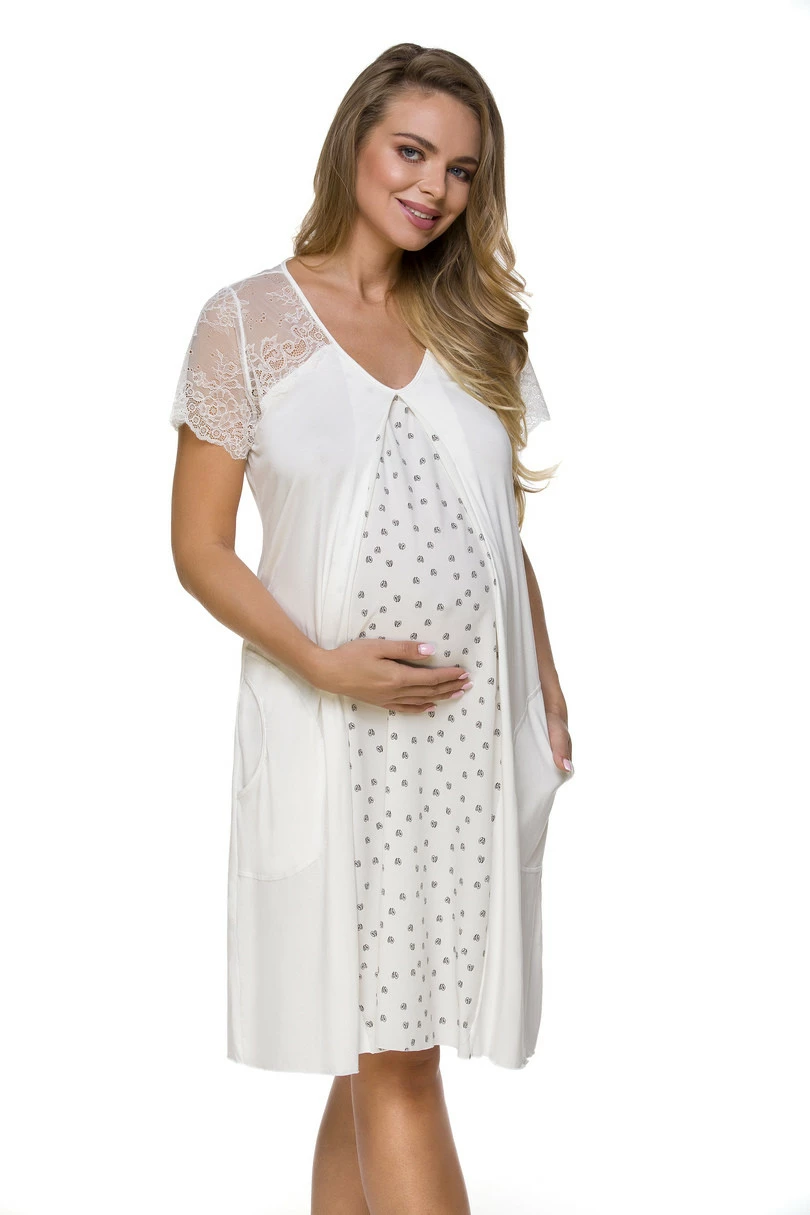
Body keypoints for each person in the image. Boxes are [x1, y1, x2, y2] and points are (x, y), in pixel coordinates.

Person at [169, 41, 574, 1215]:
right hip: (337, 734)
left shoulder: (477, 325)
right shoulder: (248, 321)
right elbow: (198, 547)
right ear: (356, 141)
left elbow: (500, 538)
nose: (433, 187)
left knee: (381, 1050)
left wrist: (547, 694)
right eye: (412, 151)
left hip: (465, 745)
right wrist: (322, 665)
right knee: (395, 1057)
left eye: (461, 170)